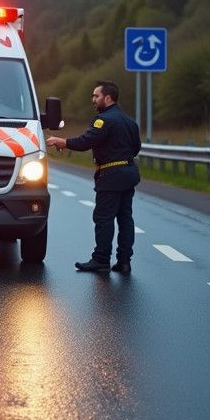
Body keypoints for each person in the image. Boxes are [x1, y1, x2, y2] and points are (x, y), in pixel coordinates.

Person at [45, 80, 141, 274]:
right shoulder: (130, 122)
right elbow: (136, 147)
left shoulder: (103, 120)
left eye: (96, 96)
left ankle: (101, 260)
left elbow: (86, 141)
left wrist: (62, 142)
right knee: (125, 219)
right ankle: (124, 261)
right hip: (128, 173)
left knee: (103, 218)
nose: (93, 100)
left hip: (111, 175)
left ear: (108, 97)